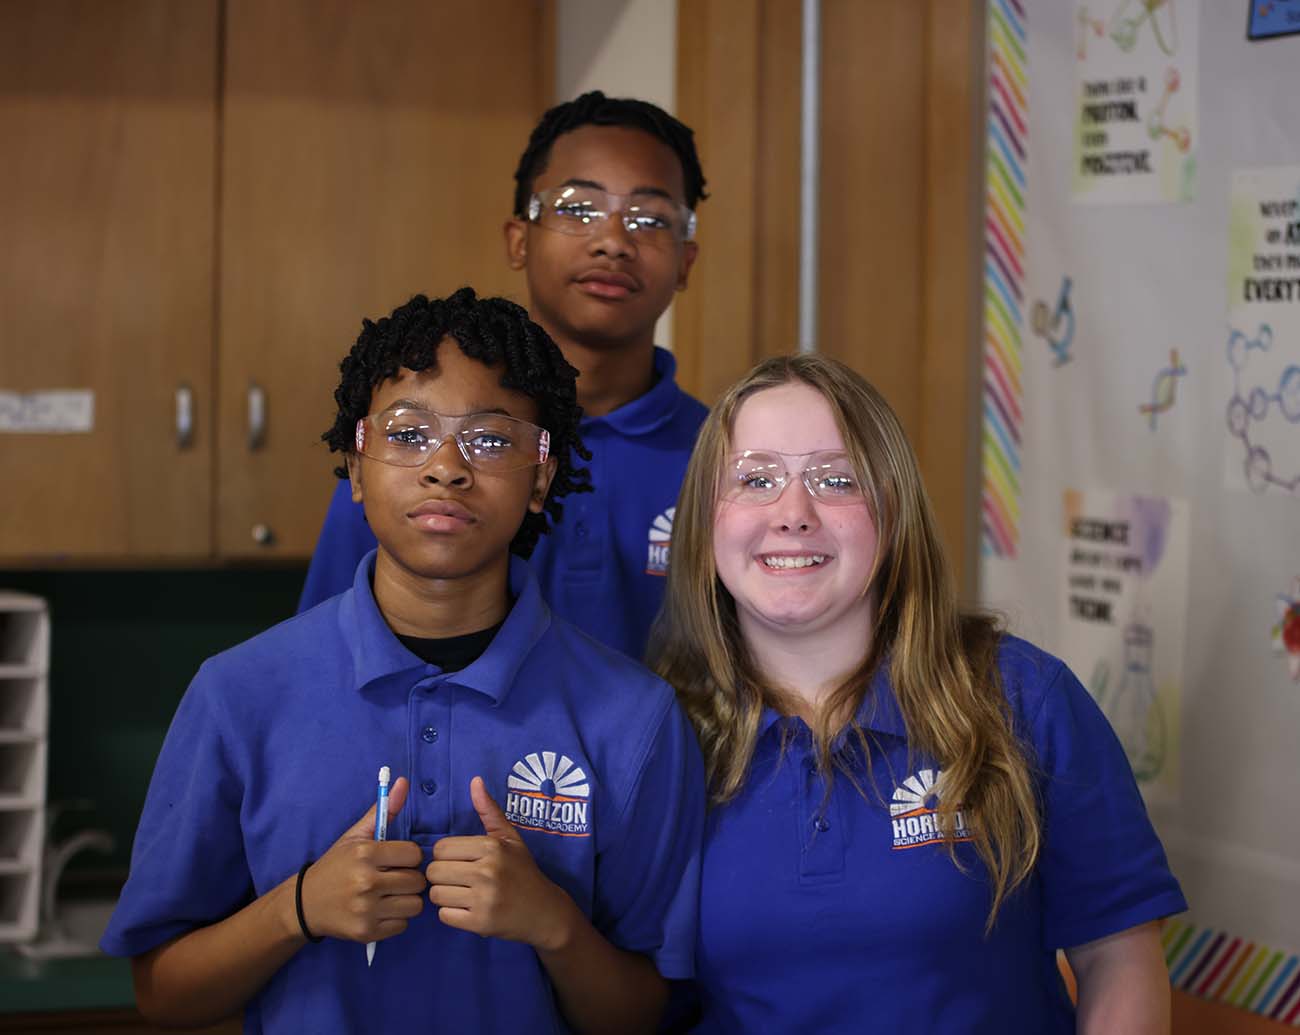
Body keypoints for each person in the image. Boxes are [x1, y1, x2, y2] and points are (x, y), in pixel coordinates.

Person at [102, 290, 704, 1035]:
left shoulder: (633, 718)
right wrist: (299, 908)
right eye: (409, 433)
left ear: (542, 477)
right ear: (355, 467)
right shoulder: (239, 694)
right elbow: (162, 992)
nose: (445, 468)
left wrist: (554, 924)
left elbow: (644, 1013)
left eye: (489, 439)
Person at [648, 354, 1187, 1034]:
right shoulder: (655, 730)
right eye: (754, 479)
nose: (792, 512)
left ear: (892, 509)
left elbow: (1119, 957)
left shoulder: (1022, 697)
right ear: (703, 523)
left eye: (835, 478)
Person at [299, 91, 709, 660]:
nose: (614, 241)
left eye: (649, 219)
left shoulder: (725, 461)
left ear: (686, 260)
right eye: (578, 208)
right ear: (520, 240)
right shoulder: (410, 449)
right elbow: (319, 661)